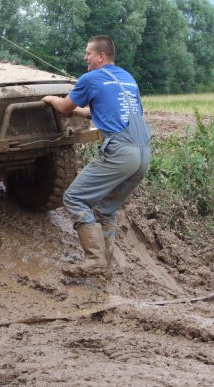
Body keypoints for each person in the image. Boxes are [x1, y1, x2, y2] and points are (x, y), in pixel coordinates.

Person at [42, 35, 151, 277]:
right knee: (105, 209)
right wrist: (83, 113)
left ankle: (94, 260)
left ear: (101, 56)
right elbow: (104, 111)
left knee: (74, 198)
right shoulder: (127, 78)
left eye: (88, 53)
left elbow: (64, 108)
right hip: (143, 154)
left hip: (120, 152)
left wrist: (50, 99)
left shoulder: (90, 79)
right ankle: (106, 265)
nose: (85, 57)